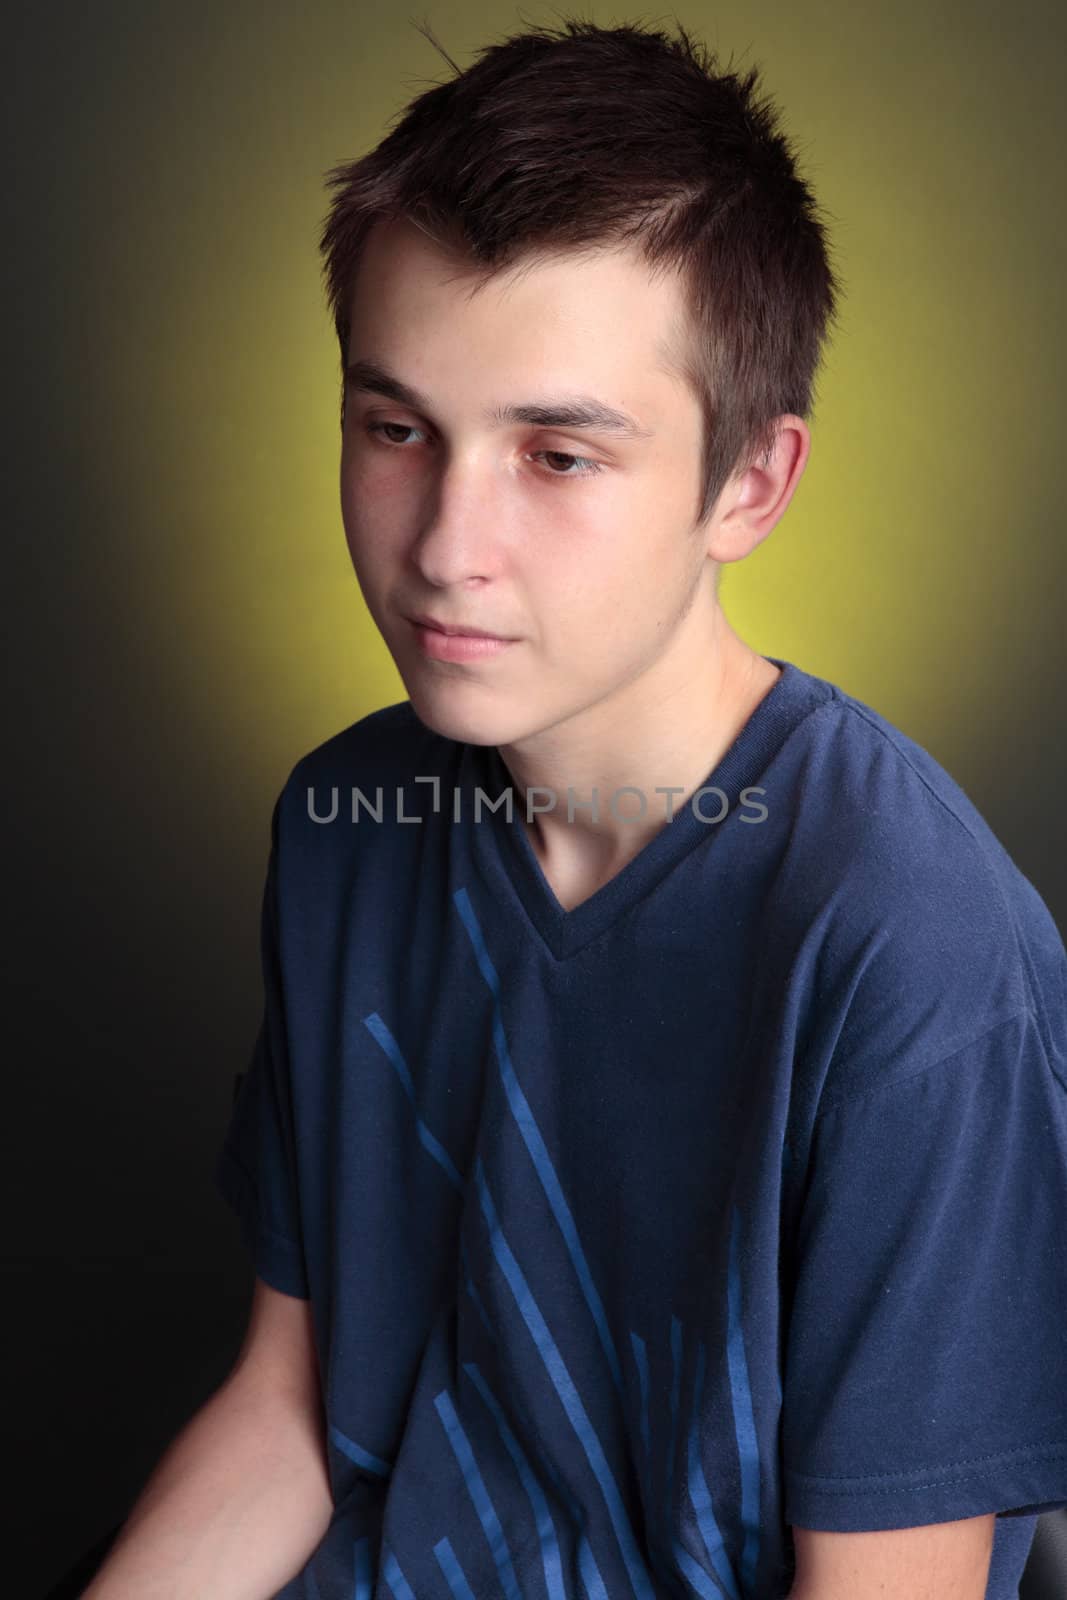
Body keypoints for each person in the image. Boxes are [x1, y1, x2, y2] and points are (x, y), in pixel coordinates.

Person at [83, 17, 1067, 1600]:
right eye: (397, 429)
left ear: (748, 483)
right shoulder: (344, 824)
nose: (446, 548)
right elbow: (289, 1411)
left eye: (557, 455)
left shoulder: (922, 959)